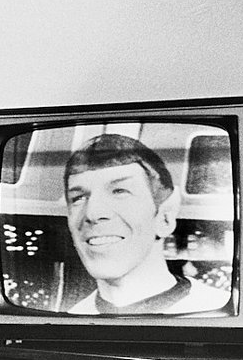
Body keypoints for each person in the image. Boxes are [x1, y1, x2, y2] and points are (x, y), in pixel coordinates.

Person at [63, 132, 227, 314]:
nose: (92, 213)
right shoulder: (72, 318)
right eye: (78, 198)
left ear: (165, 216)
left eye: (119, 191)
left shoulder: (214, 307)